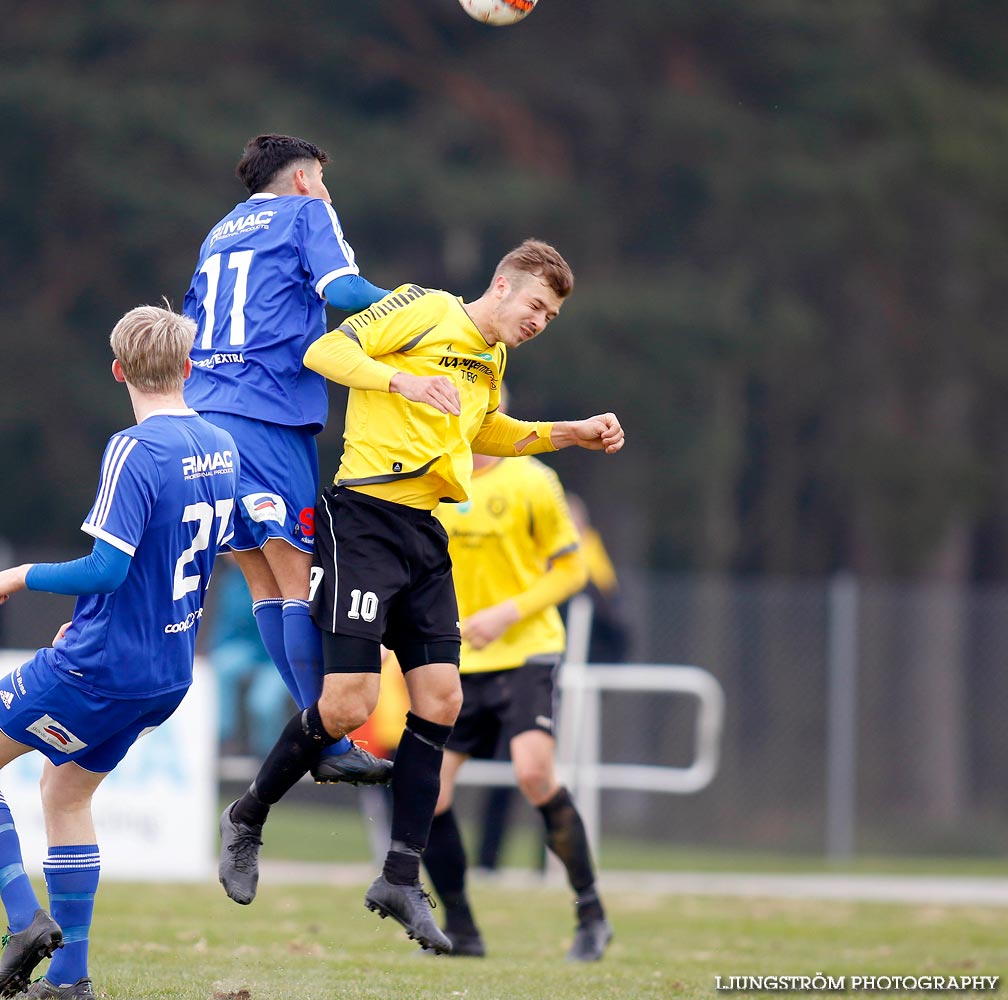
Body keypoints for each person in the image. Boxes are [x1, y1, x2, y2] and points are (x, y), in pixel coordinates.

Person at [216, 238, 624, 956]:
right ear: (501, 286)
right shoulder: (425, 307)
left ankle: (400, 877)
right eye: (536, 306)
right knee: (348, 705)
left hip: (425, 533)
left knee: (442, 699)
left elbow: (488, 430)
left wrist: (572, 434)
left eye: (551, 317)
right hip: (365, 520)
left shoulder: (491, 359)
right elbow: (328, 354)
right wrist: (401, 384)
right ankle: (247, 818)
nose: (539, 322)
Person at [0, 305, 239, 999]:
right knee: (65, 790)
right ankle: (70, 981)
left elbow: (107, 568)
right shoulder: (220, 445)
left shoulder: (135, 449)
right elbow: (163, 560)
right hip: (165, 672)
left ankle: (21, 921)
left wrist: (19, 577)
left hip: (104, 667)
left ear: (118, 371)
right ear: (188, 369)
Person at [183, 133, 393, 785]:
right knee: (294, 584)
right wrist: (427, 312)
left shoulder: (219, 231)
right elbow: (347, 289)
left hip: (204, 415)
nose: (329, 193)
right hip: (265, 417)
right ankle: (327, 740)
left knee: (265, 586)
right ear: (304, 179)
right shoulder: (307, 213)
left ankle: (320, 738)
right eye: (325, 181)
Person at [424, 406, 613, 962]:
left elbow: (572, 569)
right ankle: (461, 929)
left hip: (527, 652)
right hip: (458, 660)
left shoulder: (533, 477)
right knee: (426, 794)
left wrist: (508, 613)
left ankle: (591, 913)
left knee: (533, 774)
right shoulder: (435, 479)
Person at [210, 555, 293, 758]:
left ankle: (270, 758)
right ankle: (223, 739)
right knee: (220, 665)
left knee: (262, 703)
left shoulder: (277, 575)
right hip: (252, 650)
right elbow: (225, 627)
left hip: (281, 658)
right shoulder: (232, 580)